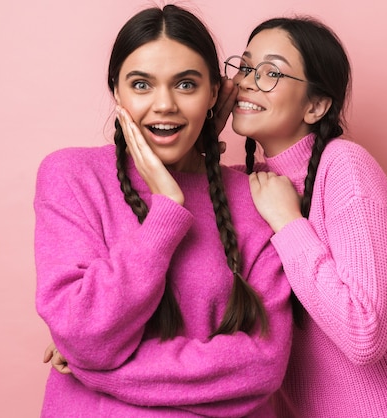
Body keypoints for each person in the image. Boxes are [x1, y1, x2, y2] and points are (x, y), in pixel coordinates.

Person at [34, 5, 292, 417]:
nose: (164, 104)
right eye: (141, 84)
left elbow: (262, 365)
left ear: (213, 93)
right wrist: (166, 212)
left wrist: (92, 368)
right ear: (116, 91)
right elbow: (83, 332)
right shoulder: (72, 177)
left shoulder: (255, 196)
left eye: (186, 84)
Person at [220, 16, 387, 417]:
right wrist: (206, 135)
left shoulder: (346, 169)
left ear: (316, 106)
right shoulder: (255, 185)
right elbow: (180, 198)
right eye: (246, 67)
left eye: (271, 72)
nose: (248, 81)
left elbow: (364, 333)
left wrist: (289, 225)